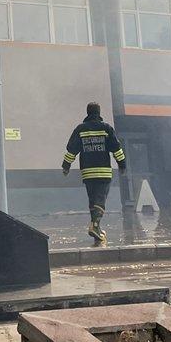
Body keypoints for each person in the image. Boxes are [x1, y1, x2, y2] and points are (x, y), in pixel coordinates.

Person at [61, 102, 126, 247]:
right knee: (100, 200)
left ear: (87, 112)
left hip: (88, 173)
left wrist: (66, 166)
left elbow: (72, 150)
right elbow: (116, 149)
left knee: (93, 200)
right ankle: (95, 225)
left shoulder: (80, 129)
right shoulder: (106, 128)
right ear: (99, 112)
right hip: (103, 172)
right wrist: (122, 164)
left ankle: (95, 227)